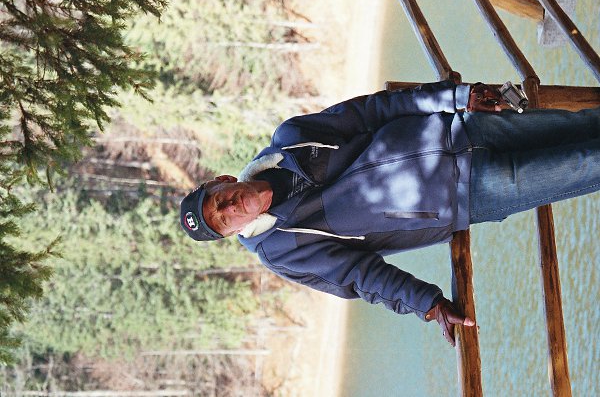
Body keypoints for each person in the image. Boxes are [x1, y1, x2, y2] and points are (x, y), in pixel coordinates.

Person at [180, 81, 600, 346]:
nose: (230, 209)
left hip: (461, 128)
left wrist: (457, 97)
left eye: (219, 201)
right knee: (585, 165)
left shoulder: (291, 137)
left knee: (582, 124)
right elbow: (360, 276)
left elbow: (375, 109)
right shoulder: (280, 250)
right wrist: (426, 303)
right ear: (230, 234)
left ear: (222, 180)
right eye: (223, 221)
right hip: (467, 195)